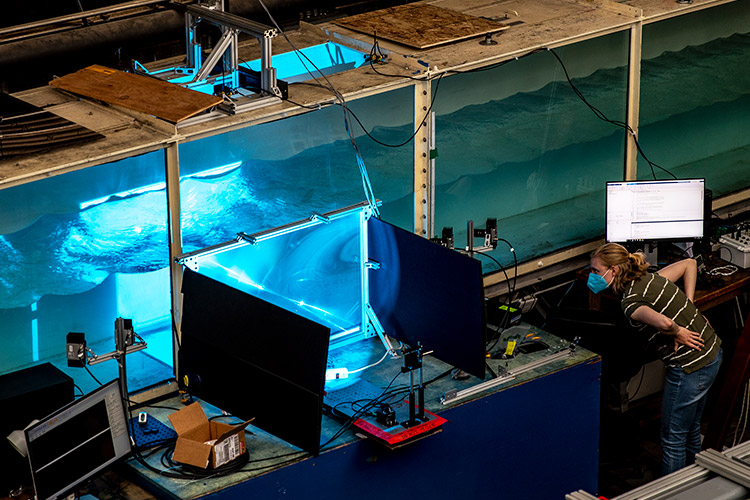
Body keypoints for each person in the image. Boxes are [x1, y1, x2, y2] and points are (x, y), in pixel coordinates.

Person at [588, 242, 722, 475]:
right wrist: (689, 306)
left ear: (614, 271)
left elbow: (666, 323)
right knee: (690, 429)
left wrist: (678, 330)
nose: (592, 276)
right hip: (712, 354)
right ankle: (694, 484)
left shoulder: (630, 304)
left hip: (690, 368)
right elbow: (689, 264)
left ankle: (673, 493)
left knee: (672, 438)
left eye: (596, 271)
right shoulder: (650, 278)